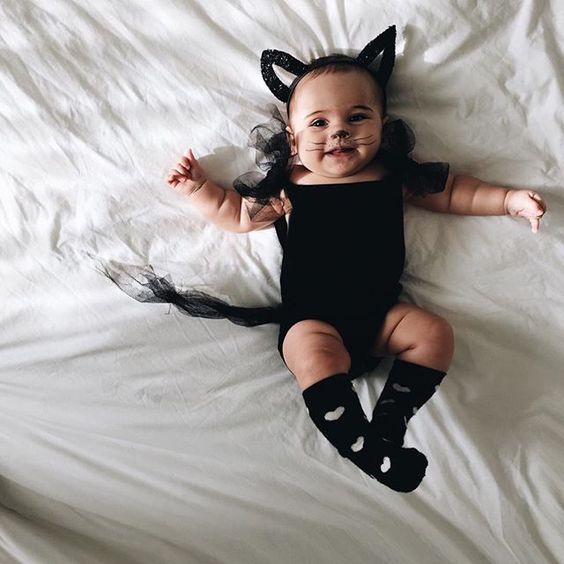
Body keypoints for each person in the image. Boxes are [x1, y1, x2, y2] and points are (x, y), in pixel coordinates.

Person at [112, 27, 547, 492]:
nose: (338, 129)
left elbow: (456, 190)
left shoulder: (392, 176)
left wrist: (507, 200)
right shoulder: (291, 187)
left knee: (433, 332)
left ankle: (389, 424)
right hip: (312, 318)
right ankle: (359, 446)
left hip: (382, 315)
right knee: (314, 357)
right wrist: (199, 189)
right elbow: (238, 214)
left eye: (357, 117)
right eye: (318, 123)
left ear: (382, 127)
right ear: (293, 141)